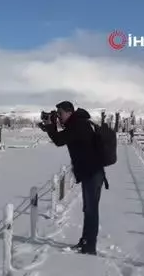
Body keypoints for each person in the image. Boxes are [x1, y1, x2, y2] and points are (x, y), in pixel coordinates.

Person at [38, 101, 105, 255]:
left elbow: (59, 140)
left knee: (91, 211)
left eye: (60, 113)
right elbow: (61, 137)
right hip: (90, 172)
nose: (59, 117)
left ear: (69, 112)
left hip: (92, 173)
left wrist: (50, 126)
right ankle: (85, 241)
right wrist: (50, 126)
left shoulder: (78, 125)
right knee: (89, 209)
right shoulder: (77, 123)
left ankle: (89, 247)